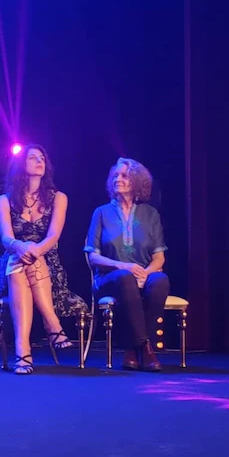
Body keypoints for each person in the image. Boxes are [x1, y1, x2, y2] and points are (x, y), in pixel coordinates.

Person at [0, 144, 87, 374]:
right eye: (32, 158)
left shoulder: (58, 198)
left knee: (29, 262)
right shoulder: (3, 200)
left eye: (42, 158)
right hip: (12, 259)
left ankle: (22, 353)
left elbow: (53, 236)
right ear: (20, 165)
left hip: (48, 262)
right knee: (16, 263)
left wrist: (34, 250)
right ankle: (52, 324)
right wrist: (21, 247)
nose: (39, 161)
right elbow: (6, 238)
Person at [84, 157, 169, 371]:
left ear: (136, 181)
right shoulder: (101, 213)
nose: (117, 179)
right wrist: (122, 266)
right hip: (110, 277)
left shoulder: (150, 214)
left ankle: (132, 349)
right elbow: (93, 257)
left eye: (124, 176)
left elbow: (159, 258)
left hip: (143, 275)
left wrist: (145, 274)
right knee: (125, 277)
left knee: (160, 280)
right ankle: (146, 348)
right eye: (115, 175)